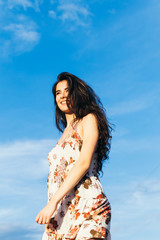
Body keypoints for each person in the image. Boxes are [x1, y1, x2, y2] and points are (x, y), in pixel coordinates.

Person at [35, 72, 113, 240]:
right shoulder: (63, 134)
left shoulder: (88, 120)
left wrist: (52, 203)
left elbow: (84, 163)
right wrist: (54, 206)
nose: (63, 96)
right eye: (58, 92)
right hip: (61, 215)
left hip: (88, 206)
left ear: (77, 93)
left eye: (67, 91)